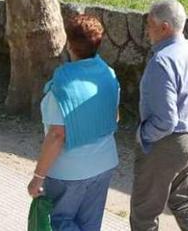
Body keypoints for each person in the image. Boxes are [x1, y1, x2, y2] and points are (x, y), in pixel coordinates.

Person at [28, 14, 120, 231]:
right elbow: (115, 116)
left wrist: (37, 177)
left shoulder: (61, 86)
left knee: (60, 223)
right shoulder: (109, 75)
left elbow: (57, 135)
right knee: (90, 226)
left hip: (68, 173)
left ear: (69, 44)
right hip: (104, 164)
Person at [130, 0, 188, 231]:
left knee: (144, 215)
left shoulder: (162, 61)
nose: (147, 29)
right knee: (184, 202)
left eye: (149, 23)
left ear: (164, 27)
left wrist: (142, 135)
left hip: (168, 145)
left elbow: (166, 121)